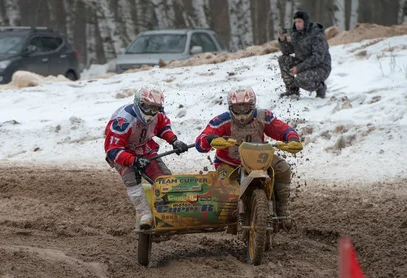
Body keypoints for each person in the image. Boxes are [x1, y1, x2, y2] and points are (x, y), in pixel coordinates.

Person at [195, 86, 303, 229]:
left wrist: (292, 139)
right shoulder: (222, 120)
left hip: (259, 158)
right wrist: (211, 140)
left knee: (283, 168)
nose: (241, 113)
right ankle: (226, 216)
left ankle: (282, 209)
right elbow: (200, 140)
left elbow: (282, 129)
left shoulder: (263, 116)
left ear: (253, 105)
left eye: (245, 108)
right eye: (237, 108)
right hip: (228, 163)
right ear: (230, 107)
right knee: (224, 186)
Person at [104, 84, 189, 229]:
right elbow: (112, 150)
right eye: (147, 107)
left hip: (144, 148)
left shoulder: (158, 115)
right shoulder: (123, 121)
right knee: (132, 180)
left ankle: (169, 211)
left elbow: (163, 128)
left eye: (155, 108)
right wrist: (133, 161)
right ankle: (145, 215)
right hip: (122, 152)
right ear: (138, 104)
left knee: (164, 178)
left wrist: (175, 141)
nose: (151, 112)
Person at [278, 10, 332, 99]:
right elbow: (287, 51)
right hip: (303, 63)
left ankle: (320, 88)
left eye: (299, 21)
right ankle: (292, 90)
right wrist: (283, 39)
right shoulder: (296, 34)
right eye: (295, 22)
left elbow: (318, 57)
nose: (297, 24)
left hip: (321, 67)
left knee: (301, 79)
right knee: (283, 60)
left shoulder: (316, 34)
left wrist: (299, 68)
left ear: (305, 22)